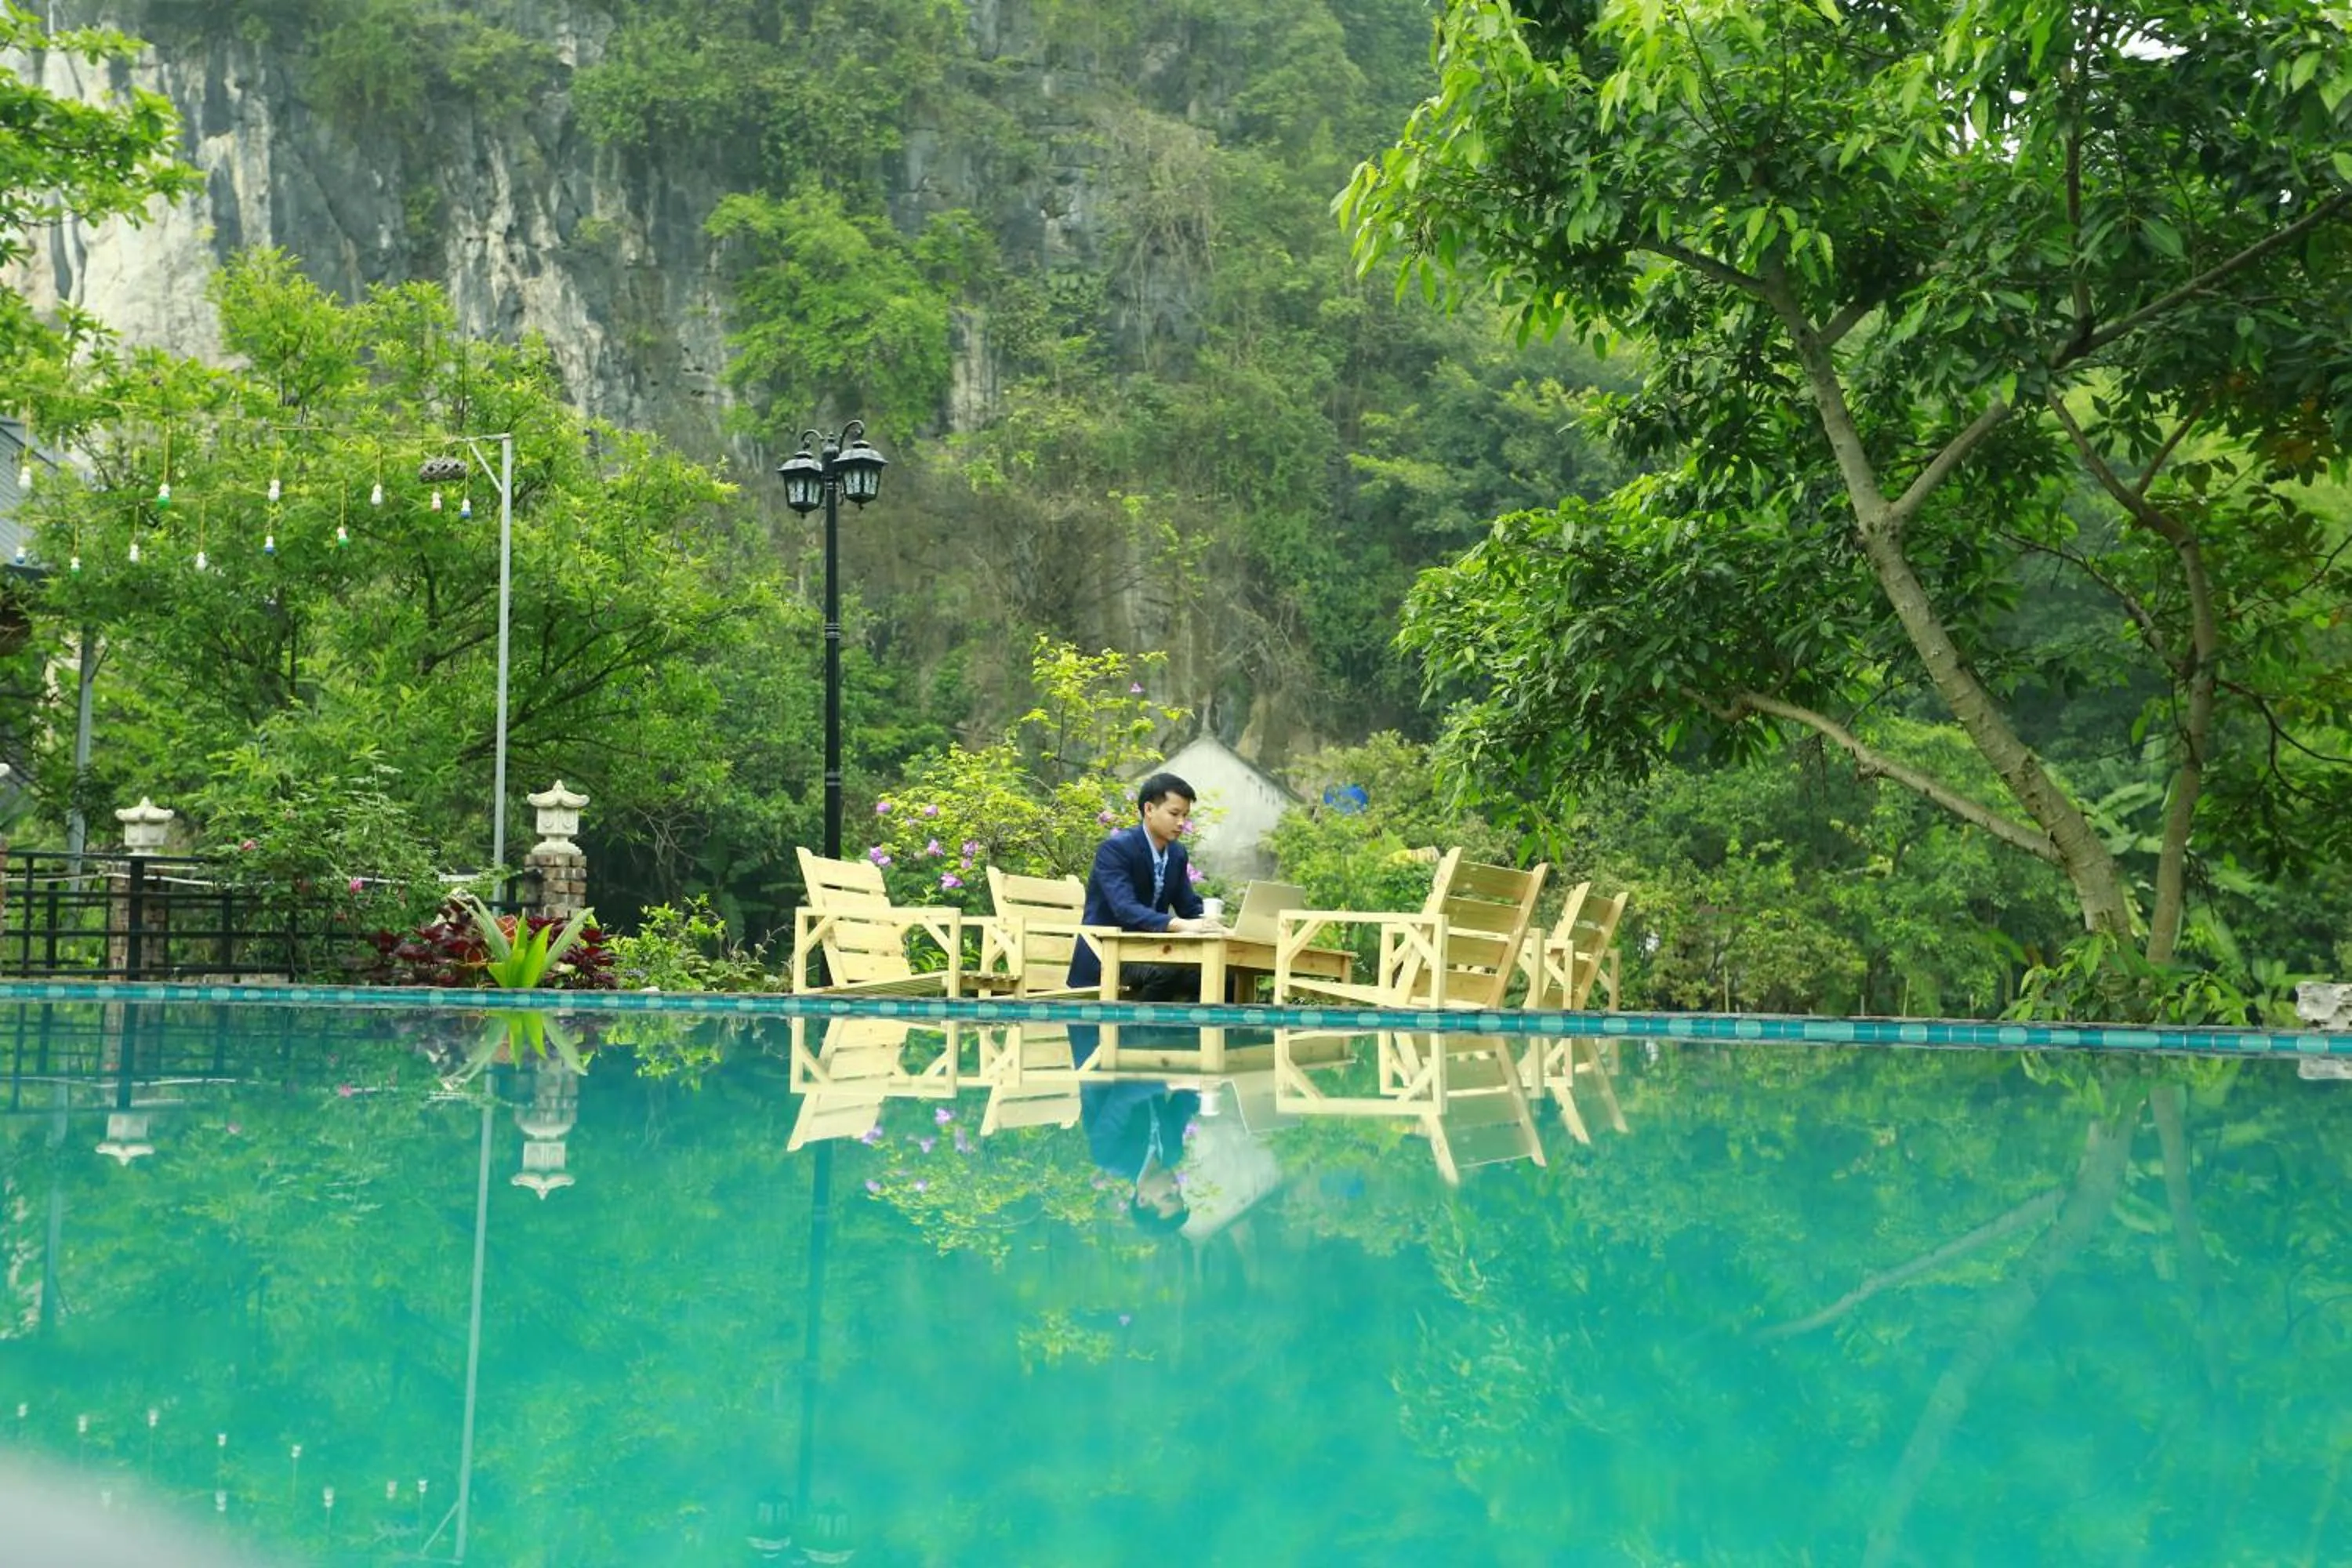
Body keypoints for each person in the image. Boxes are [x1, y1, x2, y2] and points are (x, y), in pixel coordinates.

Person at [1066, 771, 1219, 1000]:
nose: (1181, 823)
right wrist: (1179, 925)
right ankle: (1139, 1025)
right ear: (1149, 809)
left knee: (1224, 976)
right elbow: (1125, 908)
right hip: (1106, 955)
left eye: (1185, 815)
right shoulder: (1116, 850)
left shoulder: (1177, 854)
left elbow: (1188, 906)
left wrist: (1214, 925)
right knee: (1166, 973)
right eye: (1174, 814)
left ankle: (1190, 1024)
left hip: (1150, 953)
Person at [1080, 1076, 1200, 1236]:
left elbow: (1123, 1095)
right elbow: (1185, 1102)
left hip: (1103, 1066)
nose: (1176, 1186)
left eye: (1168, 1196)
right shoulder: (1172, 1152)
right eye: (1179, 1194)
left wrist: (1169, 1082)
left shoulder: (1110, 1157)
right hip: (1153, 1065)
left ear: (1142, 1199)